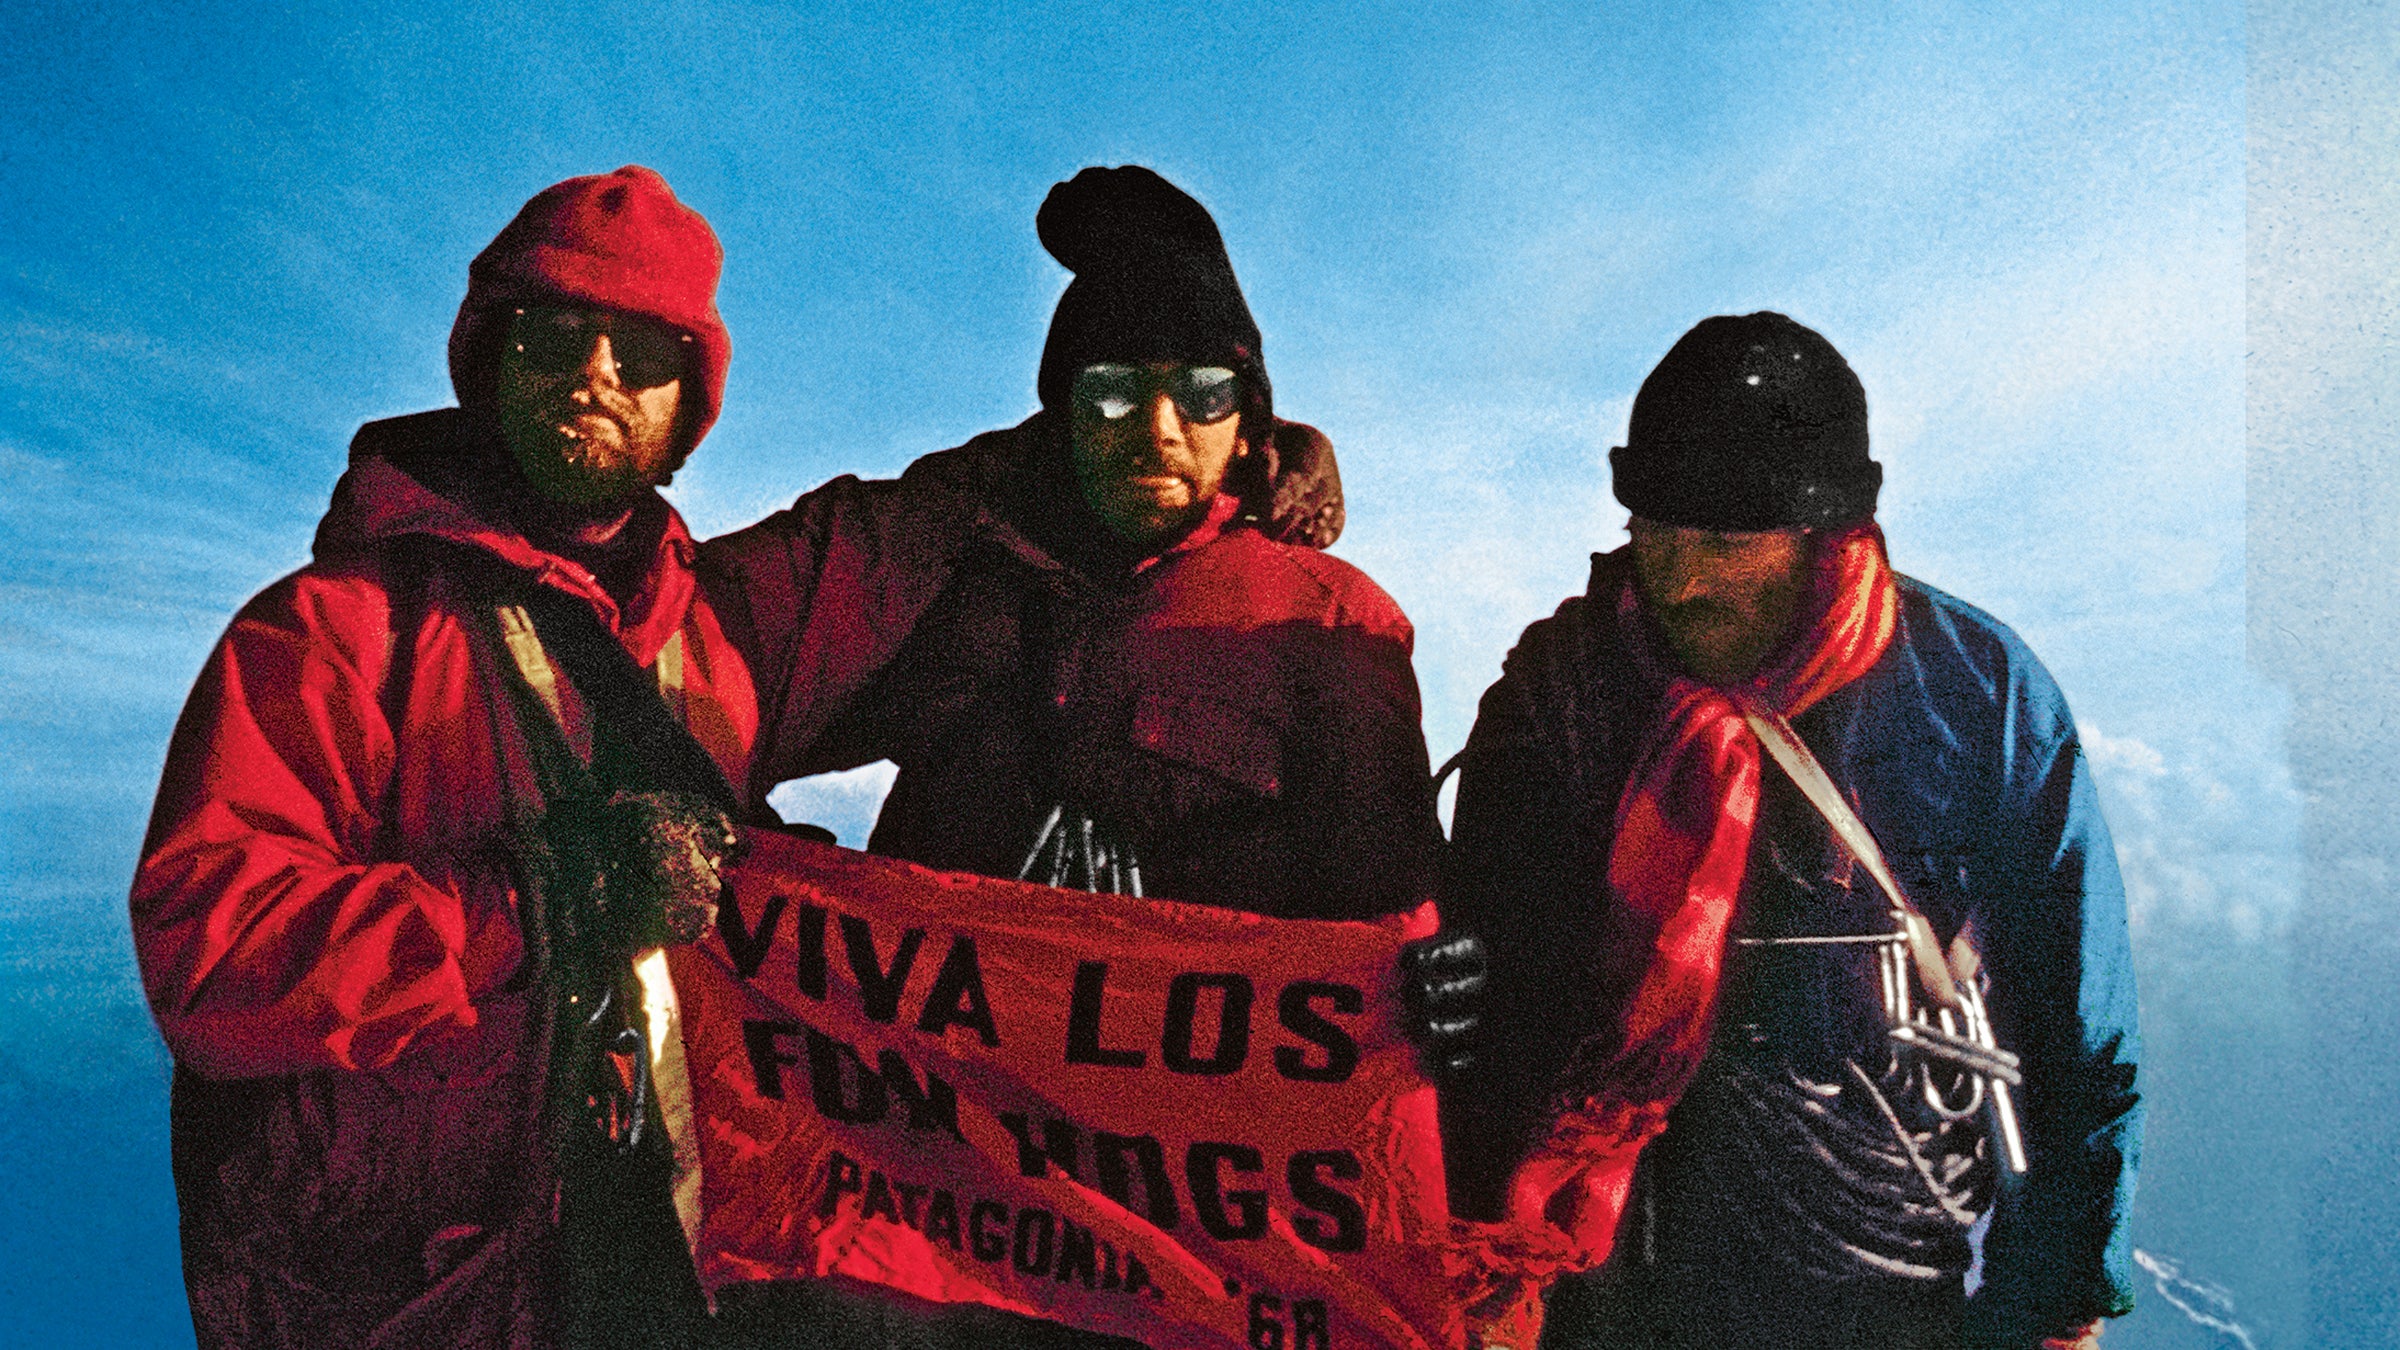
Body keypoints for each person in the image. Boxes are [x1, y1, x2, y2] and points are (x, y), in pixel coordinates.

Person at [697, 165, 1445, 1348]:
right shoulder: (948, 569)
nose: (1155, 429)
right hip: (928, 1225)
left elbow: (1382, 933)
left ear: (1248, 414)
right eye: (1110, 392)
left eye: (1201, 392)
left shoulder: (1331, 627)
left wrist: (1448, 991)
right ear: (1059, 410)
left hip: (1190, 1260)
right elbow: (710, 660)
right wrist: (764, 895)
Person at [130, 166, 752, 1350]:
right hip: (395, 1294)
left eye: (641, 354)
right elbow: (208, 953)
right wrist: (524, 904)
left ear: (689, 403)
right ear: (491, 363)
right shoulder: (333, 629)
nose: (594, 378)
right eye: (556, 337)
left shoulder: (708, 648)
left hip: (645, 1269)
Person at [1439, 313, 2141, 1350]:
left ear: (1827, 535)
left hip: (1880, 1301)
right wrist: (1437, 992)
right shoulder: (1567, 690)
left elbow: (2076, 1022)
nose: (1679, 579)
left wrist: (2062, 1292)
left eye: (1723, 539)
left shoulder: (1977, 697)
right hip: (1592, 1295)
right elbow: (1487, 967)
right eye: (1657, 528)